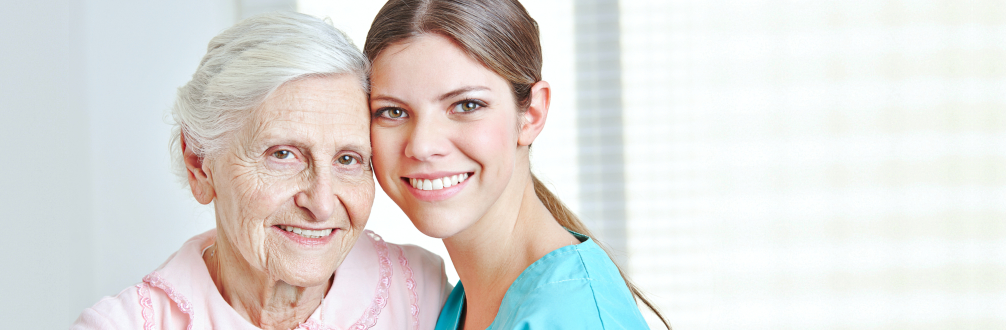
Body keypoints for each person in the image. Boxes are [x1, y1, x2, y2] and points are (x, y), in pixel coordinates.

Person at [72, 12, 448, 330]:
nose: (320, 203)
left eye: (347, 160)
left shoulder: (420, 290)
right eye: (282, 154)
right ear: (200, 164)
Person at [361, 0, 669, 329]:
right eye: (392, 111)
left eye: (466, 105)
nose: (422, 146)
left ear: (532, 114)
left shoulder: (572, 316)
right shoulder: (457, 301)